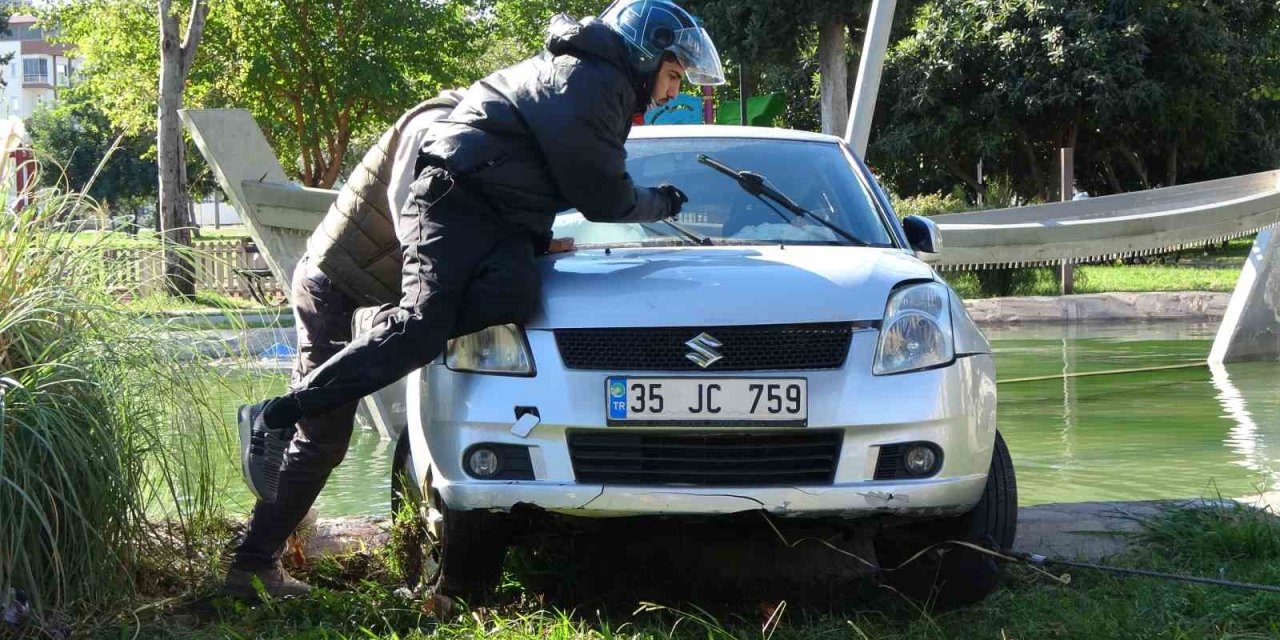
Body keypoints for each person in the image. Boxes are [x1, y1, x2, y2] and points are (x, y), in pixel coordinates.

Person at [226, 0, 726, 599]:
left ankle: (266, 530)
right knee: (346, 409)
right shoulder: (570, 88)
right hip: (347, 275)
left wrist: (532, 240)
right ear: (646, 57)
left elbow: (534, 172)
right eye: (673, 77)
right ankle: (265, 486)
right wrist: (662, 203)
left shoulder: (563, 87)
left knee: (507, 295)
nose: (673, 93)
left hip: (448, 236)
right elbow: (600, 196)